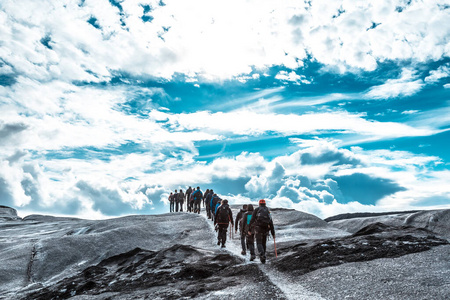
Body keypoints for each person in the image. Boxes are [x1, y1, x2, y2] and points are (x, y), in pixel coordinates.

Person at [248, 199, 275, 264]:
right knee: (263, 243)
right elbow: (271, 222)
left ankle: (262, 254)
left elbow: (252, 219)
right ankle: (263, 258)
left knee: (259, 242)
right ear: (265, 204)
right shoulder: (267, 210)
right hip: (265, 229)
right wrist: (273, 233)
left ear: (259, 204)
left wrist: (249, 229)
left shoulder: (257, 209)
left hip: (258, 228)